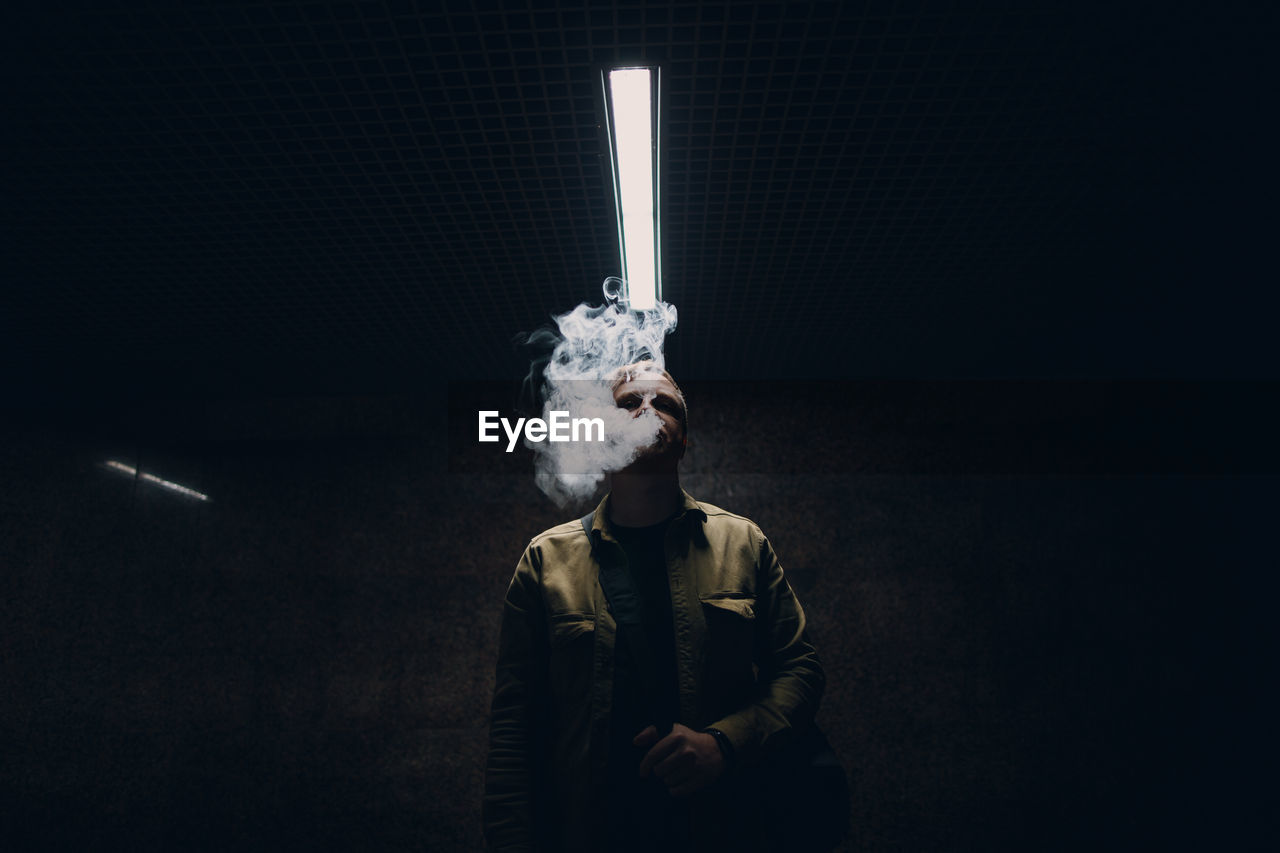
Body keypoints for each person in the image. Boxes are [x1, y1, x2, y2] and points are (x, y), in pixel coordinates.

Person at [483, 362, 826, 852]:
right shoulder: (546, 559)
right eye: (629, 403)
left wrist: (725, 743)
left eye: (664, 404)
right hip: (590, 832)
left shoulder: (742, 542)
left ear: (683, 440)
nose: (647, 409)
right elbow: (516, 724)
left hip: (720, 828)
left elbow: (800, 668)